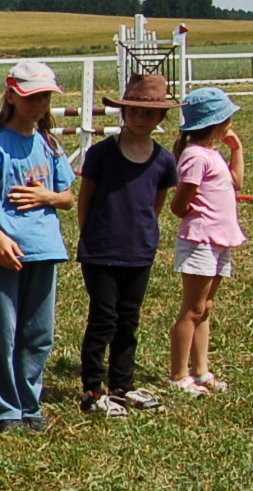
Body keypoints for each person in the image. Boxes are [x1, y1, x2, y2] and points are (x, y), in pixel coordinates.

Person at [0, 61, 77, 433]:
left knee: (38, 333)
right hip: (3, 253)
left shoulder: (50, 144)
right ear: (11, 95)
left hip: (45, 249)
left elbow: (68, 197)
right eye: (31, 97)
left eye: (44, 97)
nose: (39, 104)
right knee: (3, 332)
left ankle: (30, 405)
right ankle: (4, 409)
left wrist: (49, 196)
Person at [74, 73, 179, 416]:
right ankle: (92, 388)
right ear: (123, 112)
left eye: (149, 114)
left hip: (139, 251)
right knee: (103, 318)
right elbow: (85, 200)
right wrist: (89, 237)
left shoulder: (164, 160)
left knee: (128, 320)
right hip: (101, 250)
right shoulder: (102, 154)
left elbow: (156, 204)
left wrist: (143, 237)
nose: (140, 118)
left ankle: (122, 385)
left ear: (161, 118)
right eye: (133, 111)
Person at [168, 86, 246, 397]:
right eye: (227, 118)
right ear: (214, 122)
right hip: (201, 240)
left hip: (220, 240)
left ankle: (201, 370)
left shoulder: (211, 154)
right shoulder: (195, 156)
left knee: (206, 307)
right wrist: (196, 213)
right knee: (192, 308)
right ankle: (179, 374)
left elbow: (237, 183)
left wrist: (236, 150)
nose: (231, 124)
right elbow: (178, 205)